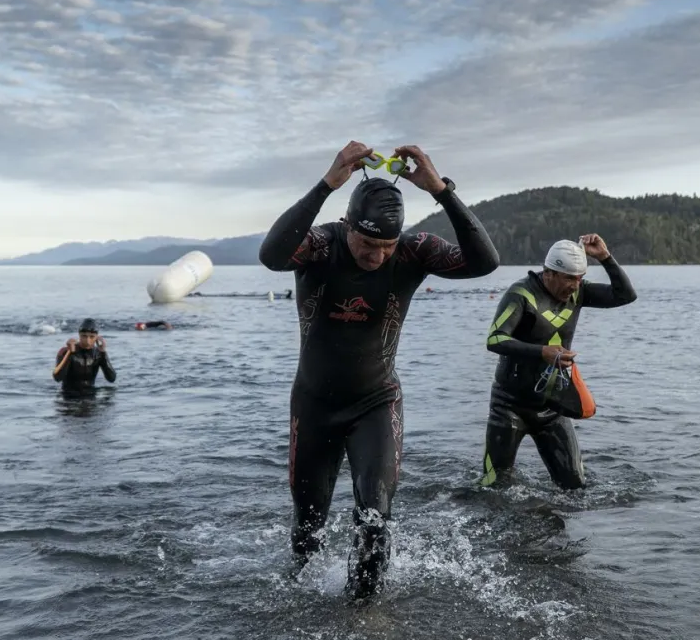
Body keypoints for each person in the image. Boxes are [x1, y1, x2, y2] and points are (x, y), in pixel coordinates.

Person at [258, 140, 499, 602]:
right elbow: (271, 256)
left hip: (376, 401)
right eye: (368, 244)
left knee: (375, 518)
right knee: (309, 522)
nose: (378, 255)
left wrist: (440, 190)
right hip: (313, 405)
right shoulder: (321, 244)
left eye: (386, 245)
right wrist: (327, 183)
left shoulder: (412, 252)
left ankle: (365, 615)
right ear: (348, 226)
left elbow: (484, 263)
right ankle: (297, 601)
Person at [479, 235, 636, 490]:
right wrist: (543, 352)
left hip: (553, 408)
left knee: (574, 487)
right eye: (569, 278)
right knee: (494, 486)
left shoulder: (579, 293)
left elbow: (625, 295)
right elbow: (494, 339)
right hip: (509, 406)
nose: (575, 285)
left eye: (579, 278)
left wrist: (605, 258)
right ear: (549, 272)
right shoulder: (521, 294)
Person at [52, 318, 116, 393]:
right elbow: (57, 378)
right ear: (79, 335)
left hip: (90, 394)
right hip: (68, 395)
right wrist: (69, 353)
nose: (88, 341)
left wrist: (103, 353)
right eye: (84, 336)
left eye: (92, 337)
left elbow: (112, 379)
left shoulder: (99, 353)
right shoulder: (65, 351)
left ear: (97, 337)